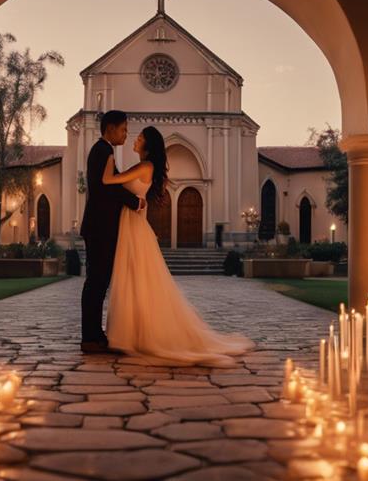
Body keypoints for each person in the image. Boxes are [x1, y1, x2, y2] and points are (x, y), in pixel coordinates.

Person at [102, 125, 254, 366]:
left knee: (134, 277)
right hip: (134, 225)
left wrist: (108, 154)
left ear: (147, 145)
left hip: (133, 226)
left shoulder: (144, 166)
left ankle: (132, 334)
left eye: (139, 138)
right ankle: (131, 332)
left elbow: (108, 179)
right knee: (135, 278)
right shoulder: (149, 168)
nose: (135, 139)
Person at [79, 110, 146, 353]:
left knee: (99, 281)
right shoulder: (103, 151)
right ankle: (90, 337)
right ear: (110, 129)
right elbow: (106, 189)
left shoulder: (104, 151)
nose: (126, 135)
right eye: (123, 130)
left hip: (101, 226)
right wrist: (135, 202)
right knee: (96, 281)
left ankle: (95, 334)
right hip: (99, 227)